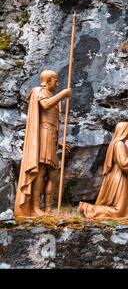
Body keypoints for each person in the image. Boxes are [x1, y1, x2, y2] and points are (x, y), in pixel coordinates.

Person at [14, 70, 71, 218]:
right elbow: (45, 106)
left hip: (51, 136)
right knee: (41, 170)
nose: (57, 83)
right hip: (43, 134)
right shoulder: (38, 91)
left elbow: (52, 122)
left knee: (53, 173)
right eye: (55, 80)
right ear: (48, 79)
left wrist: (58, 143)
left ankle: (47, 209)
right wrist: (63, 94)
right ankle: (35, 207)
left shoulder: (52, 96)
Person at [78, 122, 128, 220]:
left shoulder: (120, 144)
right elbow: (124, 163)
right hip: (119, 178)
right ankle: (86, 208)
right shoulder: (119, 144)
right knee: (118, 212)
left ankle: (127, 214)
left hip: (121, 178)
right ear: (125, 131)